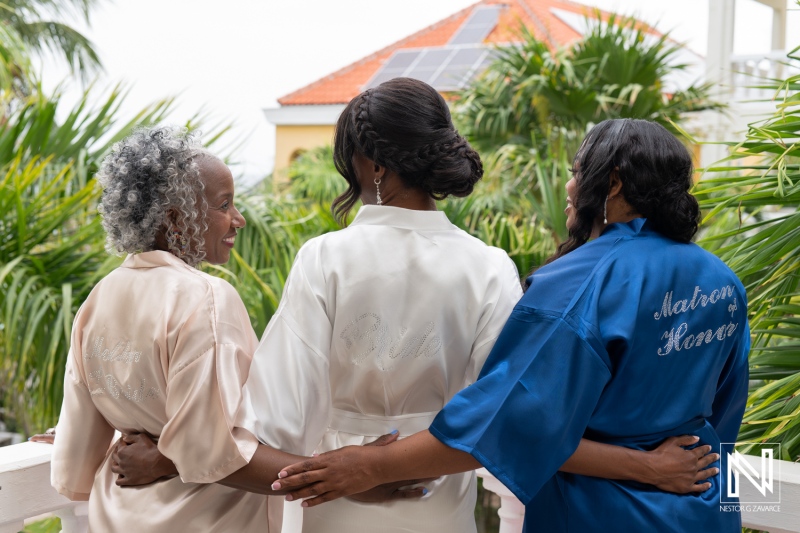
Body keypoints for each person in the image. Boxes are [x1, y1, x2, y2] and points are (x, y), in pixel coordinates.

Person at [270, 118, 750, 532]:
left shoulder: (581, 282)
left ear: (615, 182)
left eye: (576, 173)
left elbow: (511, 420)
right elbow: (726, 416)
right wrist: (666, 470)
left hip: (601, 512)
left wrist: (372, 464)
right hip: (702, 508)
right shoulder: (723, 281)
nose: (568, 188)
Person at [49, 127, 311, 533]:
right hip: (204, 519)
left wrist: (153, 444)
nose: (238, 220)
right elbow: (214, 451)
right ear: (175, 217)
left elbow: (78, 451)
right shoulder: (205, 298)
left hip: (118, 515)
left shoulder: (99, 297)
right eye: (224, 205)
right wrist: (354, 480)